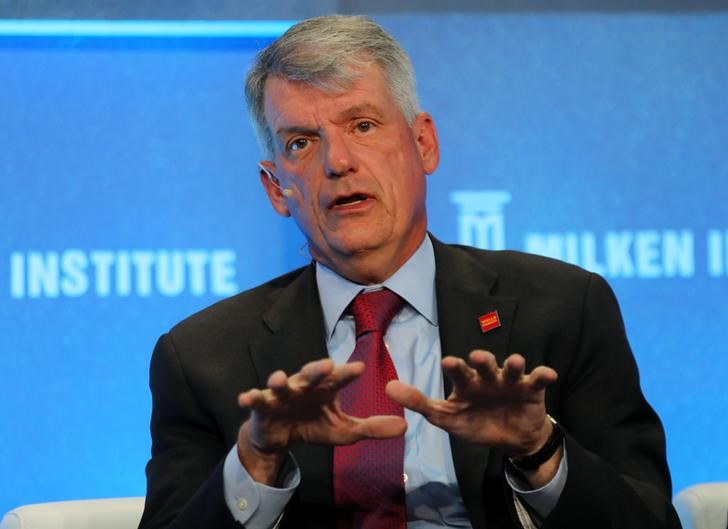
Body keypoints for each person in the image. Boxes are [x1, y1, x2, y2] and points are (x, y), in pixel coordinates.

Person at [138, 14, 681, 529]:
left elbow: (651, 520)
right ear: (276, 188)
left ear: (423, 143)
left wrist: (540, 448)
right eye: (301, 143)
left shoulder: (563, 309)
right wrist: (255, 462)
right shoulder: (202, 359)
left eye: (364, 124)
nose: (337, 161)